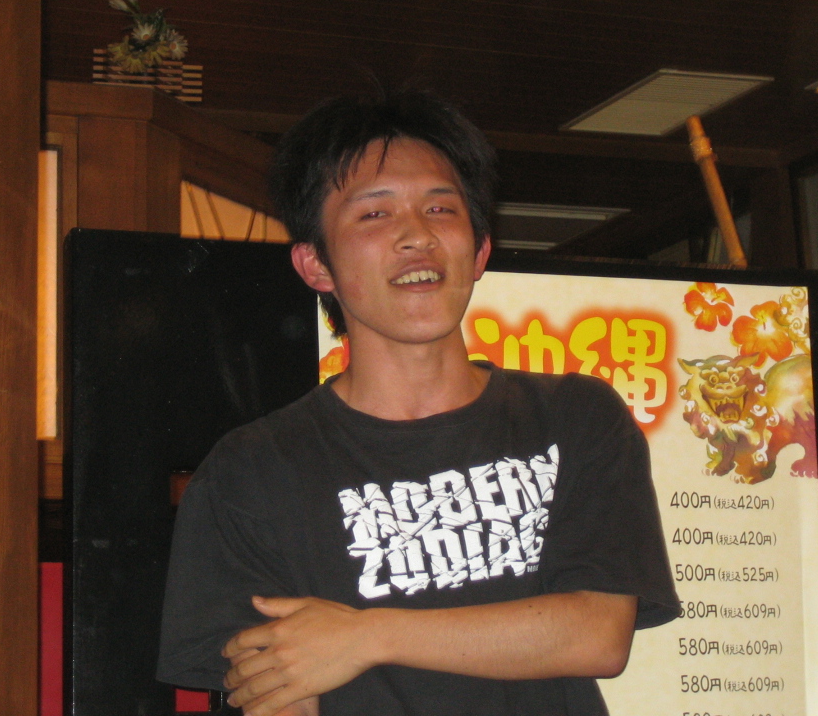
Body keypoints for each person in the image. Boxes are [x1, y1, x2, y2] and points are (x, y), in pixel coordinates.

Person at [157, 90, 680, 716]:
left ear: (479, 250)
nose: (417, 236)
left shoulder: (574, 417)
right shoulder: (251, 471)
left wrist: (366, 635)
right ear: (315, 265)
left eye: (440, 208)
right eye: (375, 214)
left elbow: (597, 633)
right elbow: (273, 689)